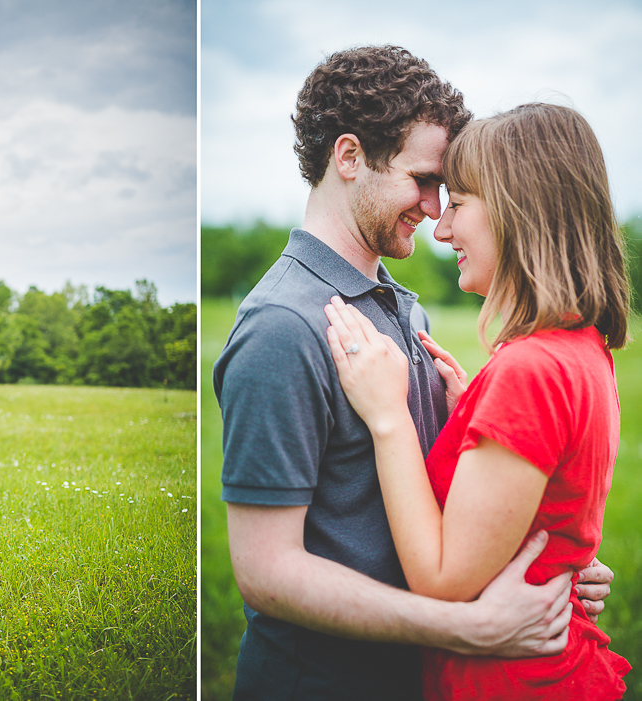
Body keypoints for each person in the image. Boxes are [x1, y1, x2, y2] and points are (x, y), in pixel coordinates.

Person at [213, 46, 614, 699]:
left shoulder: (407, 308)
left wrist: (546, 553)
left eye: (448, 190)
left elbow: (452, 498)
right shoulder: (281, 328)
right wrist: (467, 624)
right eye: (424, 179)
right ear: (348, 158)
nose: (435, 211)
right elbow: (267, 573)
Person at [324, 102, 630, 699]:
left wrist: (389, 418)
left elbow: (442, 582)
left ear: (520, 210)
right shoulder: (579, 347)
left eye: (458, 204)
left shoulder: (531, 370)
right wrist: (475, 415)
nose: (441, 229)